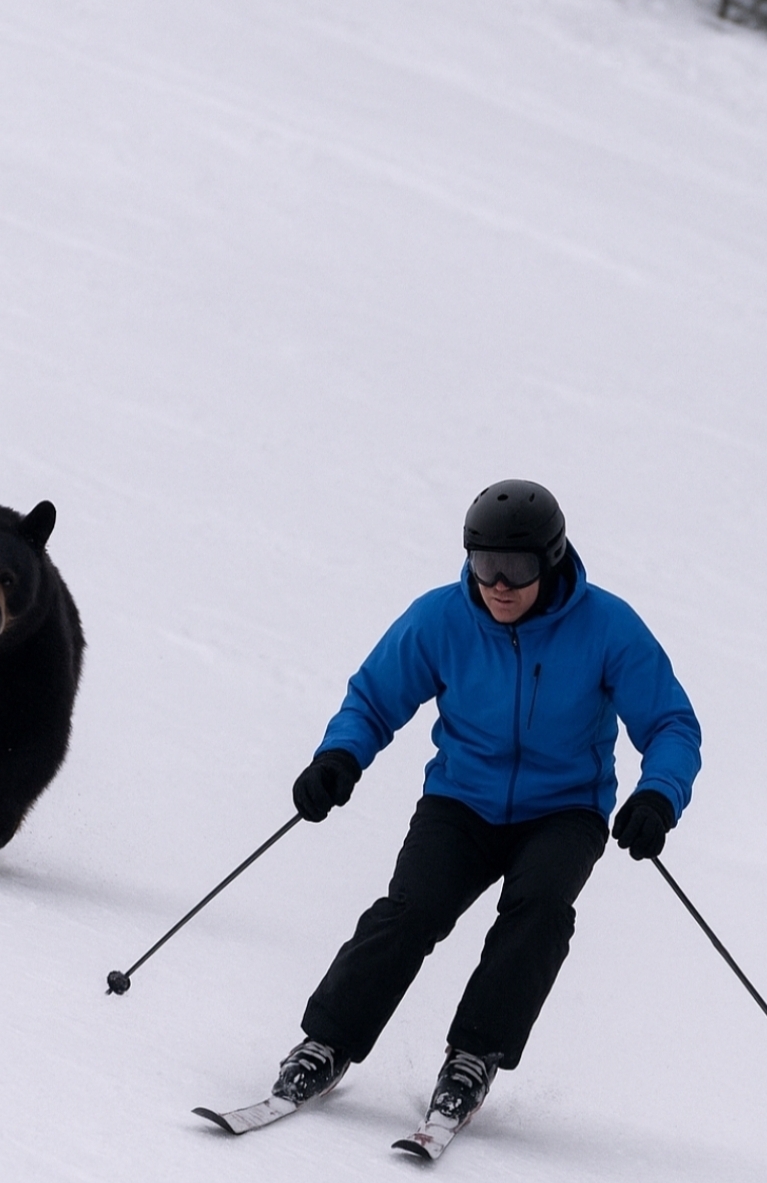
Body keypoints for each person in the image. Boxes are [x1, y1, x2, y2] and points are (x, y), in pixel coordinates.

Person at [271, 480, 702, 1139]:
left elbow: (670, 722)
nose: (498, 584)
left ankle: (473, 1054)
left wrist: (656, 795)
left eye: (517, 568)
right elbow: (372, 699)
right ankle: (324, 1043)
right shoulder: (440, 618)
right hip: (460, 801)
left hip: (563, 809)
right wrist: (339, 757)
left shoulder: (606, 627)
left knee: (539, 910)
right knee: (409, 910)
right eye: (483, 564)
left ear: (551, 561)